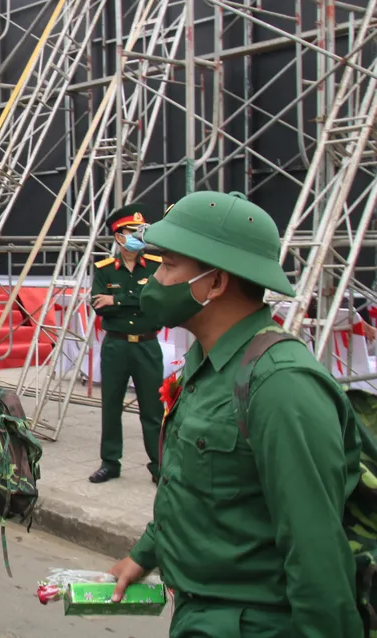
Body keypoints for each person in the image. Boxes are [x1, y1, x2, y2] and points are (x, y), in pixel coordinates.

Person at [108, 191, 362, 637]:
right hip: (200, 615)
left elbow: (316, 556)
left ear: (216, 283)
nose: (154, 279)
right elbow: (196, 487)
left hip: (254, 624)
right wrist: (145, 553)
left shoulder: (281, 385)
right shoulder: (205, 365)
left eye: (169, 265)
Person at [89, 203, 164, 485]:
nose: (137, 237)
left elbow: (156, 301)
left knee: (153, 410)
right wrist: (135, 301)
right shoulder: (105, 269)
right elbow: (99, 306)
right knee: (111, 407)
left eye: (140, 232)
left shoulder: (156, 266)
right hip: (116, 347)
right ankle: (110, 463)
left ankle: (159, 464)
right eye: (132, 232)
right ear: (118, 236)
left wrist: (117, 300)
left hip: (147, 346)